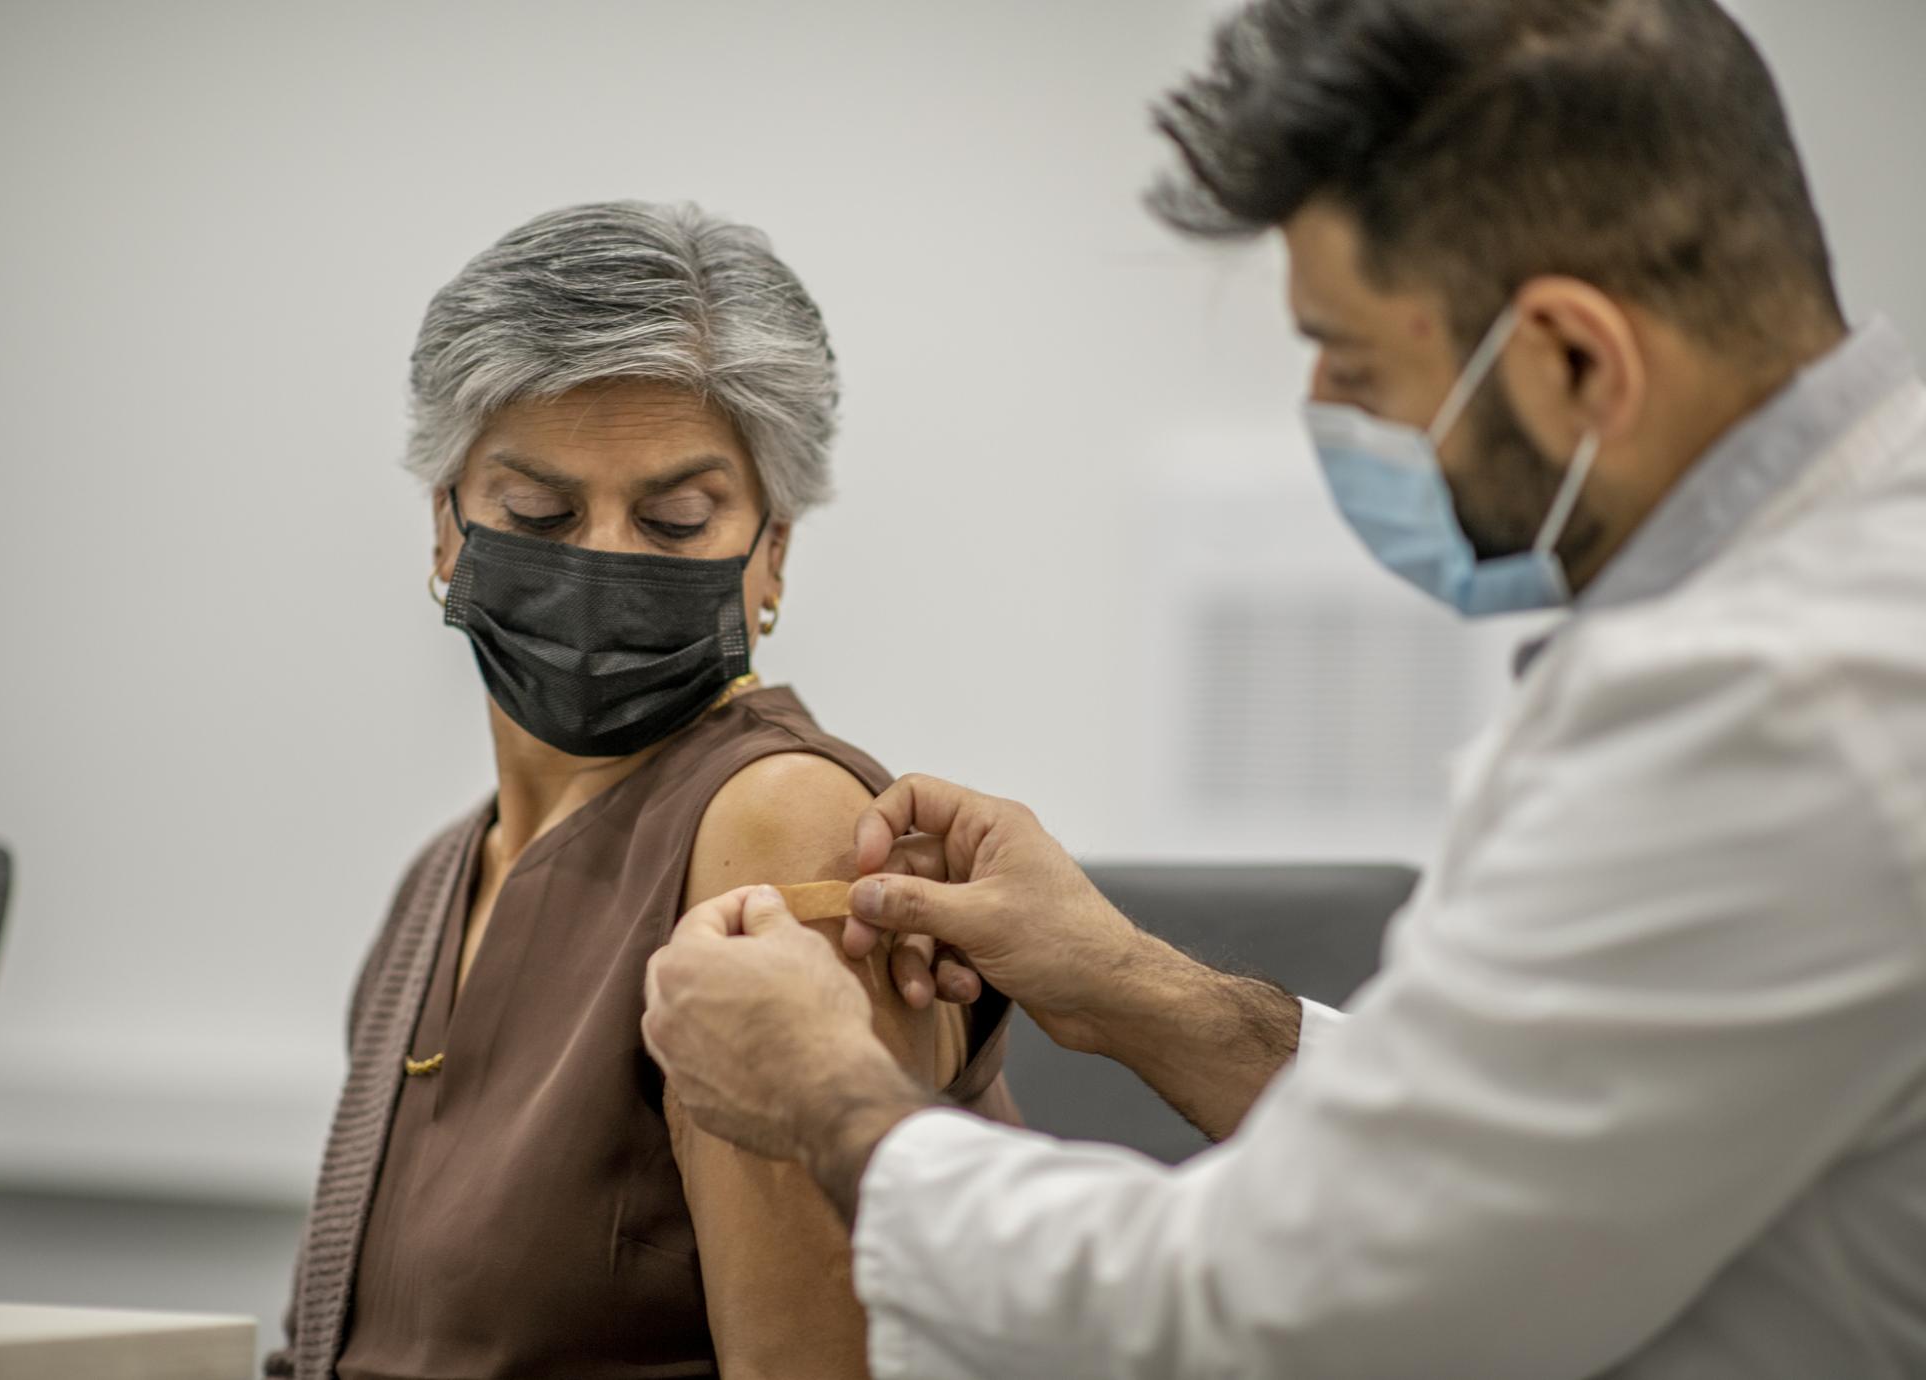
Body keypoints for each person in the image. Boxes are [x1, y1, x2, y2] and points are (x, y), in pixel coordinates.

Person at [640, 2, 1926, 1376]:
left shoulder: (1781, 709)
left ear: (1572, 360)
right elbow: (1516, 1149)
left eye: (1358, 364)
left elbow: (1276, 1305)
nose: (1326, 404)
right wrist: (1133, 988)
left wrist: (833, 1100)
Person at [265, 202, 1015, 1380]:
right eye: (537, 514)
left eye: (675, 520)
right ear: (446, 532)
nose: (604, 560)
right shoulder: (441, 878)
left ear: (771, 554)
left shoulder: (775, 825)